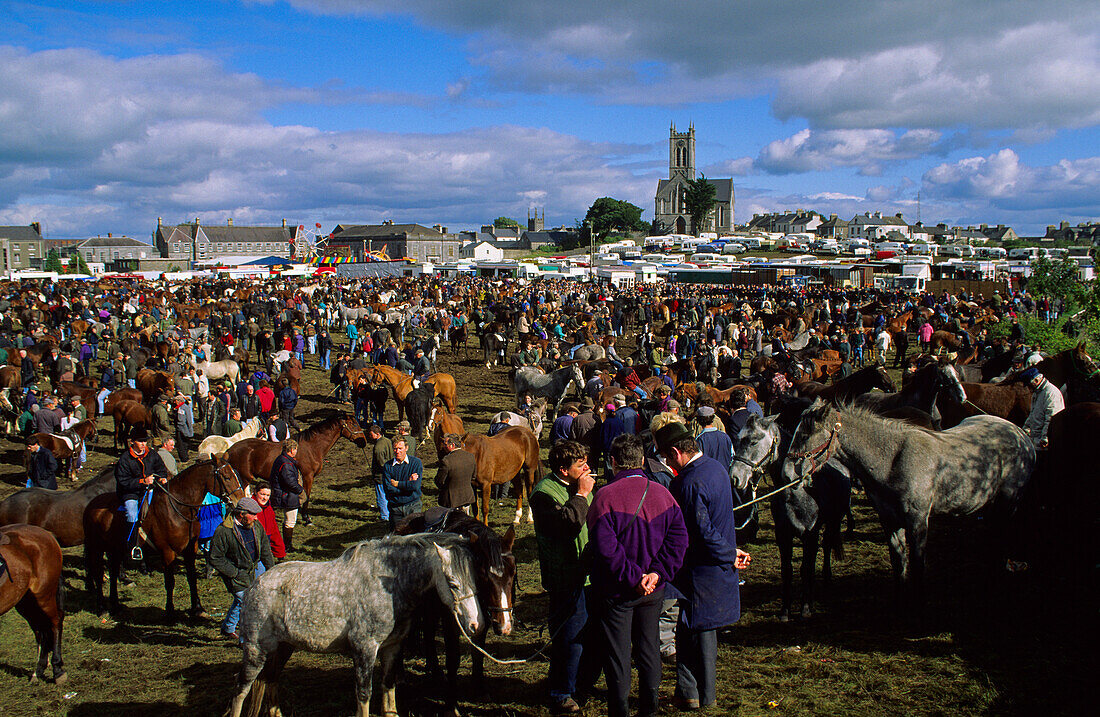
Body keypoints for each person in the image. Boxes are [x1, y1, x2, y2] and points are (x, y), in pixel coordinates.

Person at [653, 414, 751, 710]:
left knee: (699, 633)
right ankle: (688, 691)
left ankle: (701, 696)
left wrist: (729, 554)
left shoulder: (687, 482)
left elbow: (702, 531)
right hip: (716, 569)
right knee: (691, 632)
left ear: (675, 453)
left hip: (699, 571)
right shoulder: (717, 468)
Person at [587, 434, 688, 717]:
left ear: (614, 462)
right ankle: (649, 708)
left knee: (618, 656)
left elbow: (606, 550)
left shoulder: (604, 497)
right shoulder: (663, 494)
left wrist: (634, 577)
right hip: (652, 591)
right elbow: (679, 541)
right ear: (643, 461)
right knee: (649, 649)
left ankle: (619, 711)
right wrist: (655, 574)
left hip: (616, 592)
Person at [530, 440, 598, 714]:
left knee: (591, 636)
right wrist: (581, 495)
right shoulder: (543, 495)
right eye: (581, 465)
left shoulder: (583, 484)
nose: (587, 469)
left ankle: (582, 684)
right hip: (566, 577)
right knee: (568, 638)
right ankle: (561, 692)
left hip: (591, 575)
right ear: (563, 469)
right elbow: (566, 525)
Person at [208, 496, 274, 641]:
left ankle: (228, 628)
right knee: (249, 604)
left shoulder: (256, 526)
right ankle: (245, 640)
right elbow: (215, 557)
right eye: (253, 515)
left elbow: (265, 549)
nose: (256, 518)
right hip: (237, 574)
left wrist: (272, 571)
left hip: (255, 568)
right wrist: (234, 573)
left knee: (242, 602)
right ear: (241, 514)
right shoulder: (223, 531)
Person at [114, 426, 168, 564]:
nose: (143, 444)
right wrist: (142, 481)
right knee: (132, 514)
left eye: (145, 441)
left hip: (150, 490)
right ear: (132, 442)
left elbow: (160, 468)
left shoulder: (152, 454)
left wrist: (162, 477)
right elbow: (123, 481)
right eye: (140, 441)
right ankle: (132, 546)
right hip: (130, 492)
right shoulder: (125, 459)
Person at [269, 439, 304, 551]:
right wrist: (300, 490)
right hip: (288, 496)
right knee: (290, 521)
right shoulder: (286, 464)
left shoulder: (281, 459)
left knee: (288, 520)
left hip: (283, 494)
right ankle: (287, 546)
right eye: (296, 449)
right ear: (292, 450)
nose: (296, 451)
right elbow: (290, 482)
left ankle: (286, 545)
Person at [382, 436, 424, 529]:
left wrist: (398, 484)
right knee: (397, 536)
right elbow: (388, 489)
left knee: (416, 534)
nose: (397, 451)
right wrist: (407, 486)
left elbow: (415, 486)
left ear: (406, 448)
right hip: (395, 508)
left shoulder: (415, 463)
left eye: (400, 448)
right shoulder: (387, 466)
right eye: (395, 448)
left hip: (413, 506)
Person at [1021, 367, 1065, 448]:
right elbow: (1032, 413)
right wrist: (1025, 428)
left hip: (1046, 442)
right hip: (1036, 438)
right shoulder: (1036, 393)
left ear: (1036, 381)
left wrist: (1045, 438)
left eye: (1029, 385)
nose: (1028, 388)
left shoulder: (1051, 393)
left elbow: (1051, 418)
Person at [435, 432, 477, 514]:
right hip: (467, 498)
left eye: (445, 444)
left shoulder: (446, 461)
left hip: (451, 501)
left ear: (452, 445)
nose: (443, 446)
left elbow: (439, 481)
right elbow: (473, 476)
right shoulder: (471, 457)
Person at [250, 481, 286, 563]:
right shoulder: (249, 509)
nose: (264, 498)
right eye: (262, 494)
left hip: (265, 547)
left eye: (267, 495)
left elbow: (274, 531)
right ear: (255, 492)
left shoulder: (269, 509)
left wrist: (280, 552)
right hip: (252, 548)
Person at [368, 423, 394, 522]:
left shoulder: (378, 447)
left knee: (381, 496)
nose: (370, 436)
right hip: (390, 473)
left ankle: (384, 516)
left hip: (380, 475)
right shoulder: (387, 441)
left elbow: (380, 462)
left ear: (377, 434)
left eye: (371, 434)